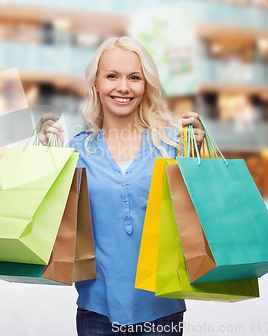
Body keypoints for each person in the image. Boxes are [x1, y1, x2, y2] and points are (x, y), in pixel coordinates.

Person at [40, 36, 204, 336]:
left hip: (162, 311)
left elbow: (201, 213)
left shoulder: (171, 145)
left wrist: (197, 155)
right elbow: (51, 224)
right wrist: (47, 160)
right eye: (112, 76)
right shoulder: (76, 151)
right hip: (96, 312)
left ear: (146, 86)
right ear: (96, 85)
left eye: (134, 78)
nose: (124, 87)